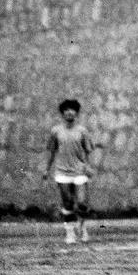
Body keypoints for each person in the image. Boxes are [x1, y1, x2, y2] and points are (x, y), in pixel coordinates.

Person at [44, 99, 95, 244]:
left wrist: (88, 167)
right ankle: (70, 232)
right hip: (62, 172)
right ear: (62, 113)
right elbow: (52, 152)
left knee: (82, 203)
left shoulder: (82, 131)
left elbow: (87, 152)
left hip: (79, 171)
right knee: (67, 204)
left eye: (72, 109)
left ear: (76, 113)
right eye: (66, 110)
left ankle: (82, 226)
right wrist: (47, 169)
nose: (69, 112)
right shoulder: (56, 131)